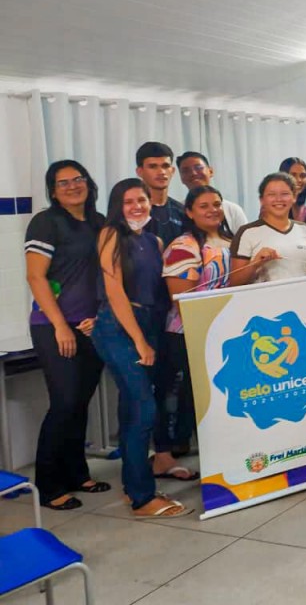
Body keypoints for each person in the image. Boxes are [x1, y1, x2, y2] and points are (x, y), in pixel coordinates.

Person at [92, 178, 190, 518]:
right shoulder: (110, 235)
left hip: (150, 323)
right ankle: (142, 497)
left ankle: (131, 485)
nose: (136, 207)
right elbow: (114, 292)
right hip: (119, 328)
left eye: (142, 200)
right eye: (128, 201)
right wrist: (138, 340)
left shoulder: (154, 240)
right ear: (117, 206)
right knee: (143, 408)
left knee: (131, 406)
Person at [24, 160, 108, 510]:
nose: (73, 186)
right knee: (64, 402)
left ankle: (77, 473)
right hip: (54, 326)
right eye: (63, 183)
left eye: (78, 179)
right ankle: (47, 485)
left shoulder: (99, 222)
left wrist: (100, 318)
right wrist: (60, 325)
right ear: (53, 191)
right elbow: (36, 277)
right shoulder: (46, 222)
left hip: (91, 325)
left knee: (80, 402)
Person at [159, 185, 233, 478]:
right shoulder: (184, 246)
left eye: (216, 204)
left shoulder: (231, 240)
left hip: (225, 332)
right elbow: (181, 299)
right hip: (189, 334)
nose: (213, 210)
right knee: (197, 398)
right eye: (204, 206)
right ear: (189, 212)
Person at [230, 172, 306, 285]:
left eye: (285, 194)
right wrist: (255, 263)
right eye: (271, 194)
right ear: (262, 200)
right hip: (265, 296)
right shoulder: (247, 232)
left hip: (303, 294)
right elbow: (235, 282)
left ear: (294, 197)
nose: (278, 199)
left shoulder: (305, 229)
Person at [175, 151, 247, 232]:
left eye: (198, 168)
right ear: (181, 177)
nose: (193, 173)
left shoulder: (232, 210)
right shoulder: (177, 210)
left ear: (211, 171)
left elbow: (245, 238)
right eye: (185, 171)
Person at [136, 142, 185, 247]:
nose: (161, 172)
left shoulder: (182, 211)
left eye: (166, 166)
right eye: (153, 166)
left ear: (172, 171)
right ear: (139, 171)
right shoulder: (132, 210)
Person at [279, 157, 306, 221]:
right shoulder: (273, 207)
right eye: (293, 175)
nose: (299, 180)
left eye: (302, 176)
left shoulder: (305, 211)